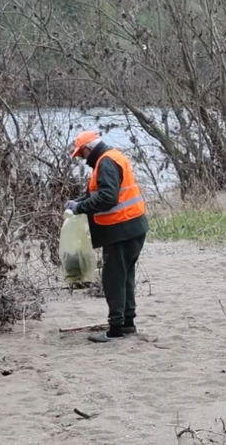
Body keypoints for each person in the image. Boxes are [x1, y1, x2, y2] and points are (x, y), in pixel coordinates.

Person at [65, 131, 150, 343]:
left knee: (113, 279)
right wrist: (80, 201)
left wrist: (80, 207)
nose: (82, 159)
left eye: (81, 154)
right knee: (125, 276)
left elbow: (107, 198)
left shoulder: (105, 163)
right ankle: (127, 324)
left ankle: (115, 330)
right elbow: (101, 192)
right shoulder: (113, 157)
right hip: (134, 227)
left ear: (88, 149)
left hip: (120, 230)